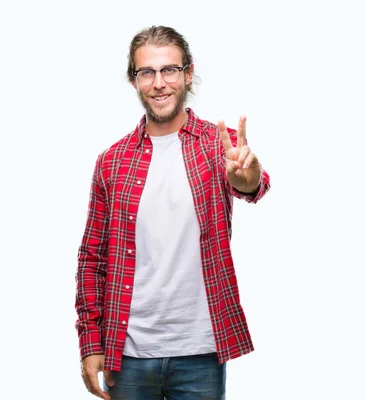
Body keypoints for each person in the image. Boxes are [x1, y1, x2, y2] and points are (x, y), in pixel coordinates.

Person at [74, 25, 271, 400]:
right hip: (127, 354)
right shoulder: (111, 162)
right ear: (134, 81)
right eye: (146, 72)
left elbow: (254, 185)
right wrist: (90, 341)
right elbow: (92, 258)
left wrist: (248, 178)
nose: (159, 82)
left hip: (201, 352)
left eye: (169, 70)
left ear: (188, 74)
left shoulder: (219, 144)